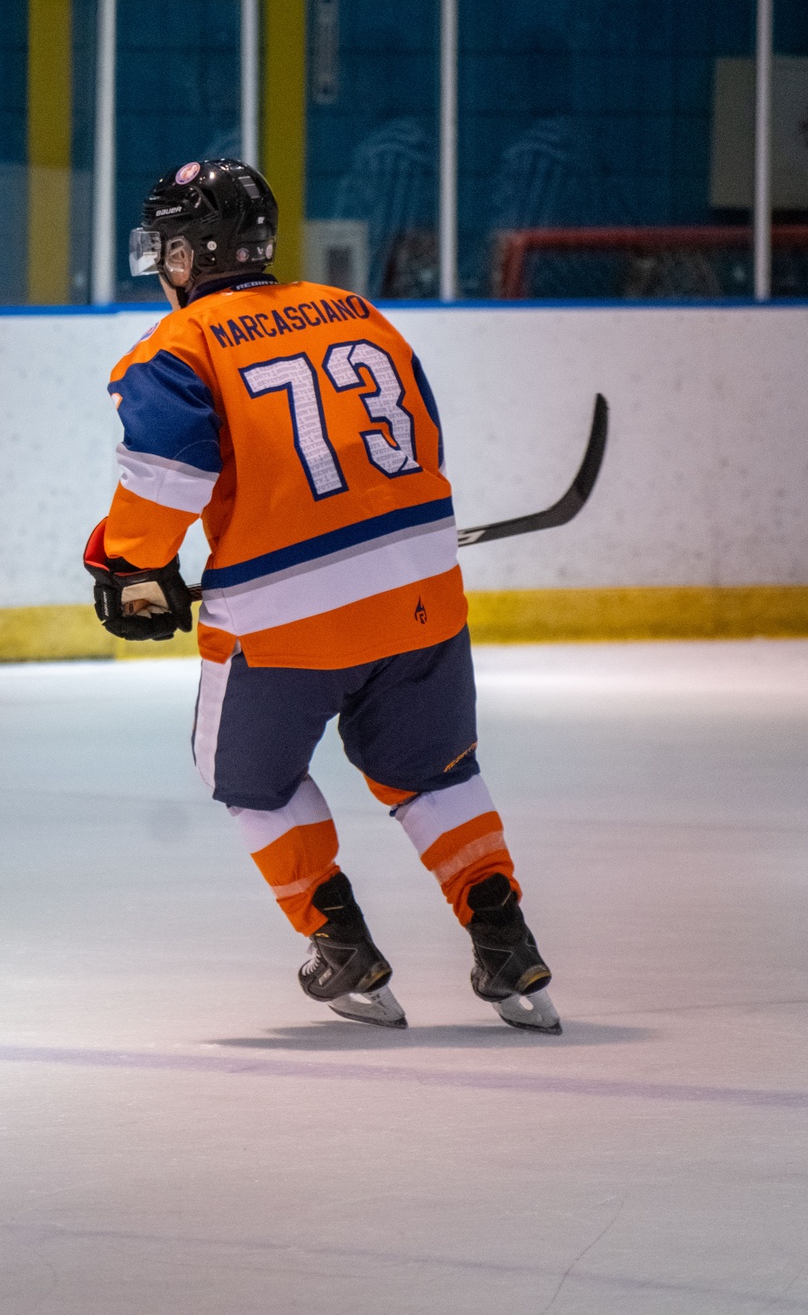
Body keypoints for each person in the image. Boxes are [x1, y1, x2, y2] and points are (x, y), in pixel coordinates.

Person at [84, 158, 560, 1034]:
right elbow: (417, 442)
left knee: (247, 780)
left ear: (196, 251)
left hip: (284, 621)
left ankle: (340, 943)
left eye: (170, 247)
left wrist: (129, 568)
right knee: (436, 773)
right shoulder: (361, 314)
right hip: (423, 595)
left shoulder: (176, 350)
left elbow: (162, 486)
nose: (163, 265)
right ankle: (503, 937)